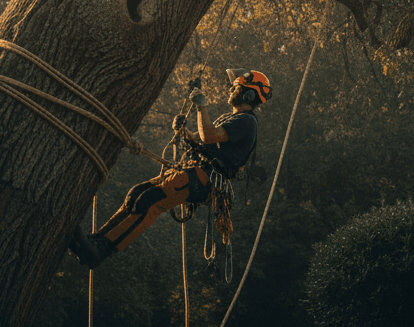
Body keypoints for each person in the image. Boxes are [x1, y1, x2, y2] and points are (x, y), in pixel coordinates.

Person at [69, 68, 271, 268]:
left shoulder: (247, 122)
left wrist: (201, 107)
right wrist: (182, 131)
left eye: (235, 86)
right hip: (191, 172)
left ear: (249, 93)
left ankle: (101, 250)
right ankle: (96, 240)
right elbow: (199, 138)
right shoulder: (230, 118)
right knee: (136, 194)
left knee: (149, 203)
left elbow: (209, 135)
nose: (230, 89)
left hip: (203, 178)